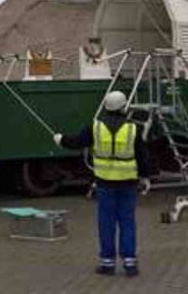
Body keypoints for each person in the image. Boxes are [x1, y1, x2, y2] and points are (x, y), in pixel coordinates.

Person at [54, 90, 150, 278]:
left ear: (106, 106)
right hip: (128, 183)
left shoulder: (95, 127)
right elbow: (142, 156)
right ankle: (130, 263)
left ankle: (107, 263)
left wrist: (60, 139)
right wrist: (145, 178)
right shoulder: (134, 129)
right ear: (124, 107)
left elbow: (77, 142)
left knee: (106, 222)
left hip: (105, 183)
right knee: (127, 221)